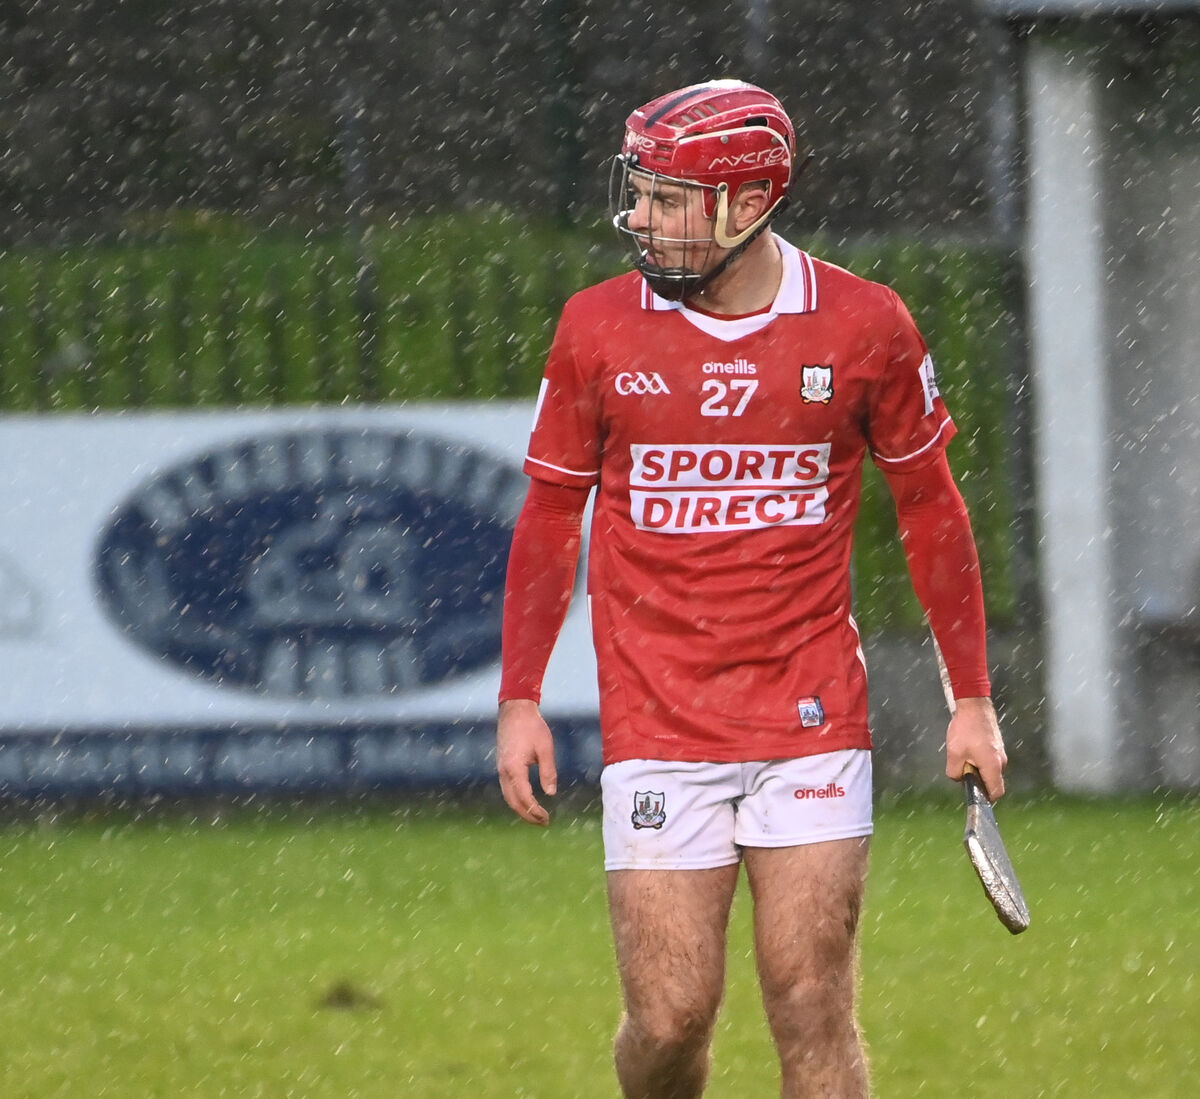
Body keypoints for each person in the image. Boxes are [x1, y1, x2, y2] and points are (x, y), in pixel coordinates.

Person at [495, 78, 1007, 1099]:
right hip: (658, 721)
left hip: (810, 713)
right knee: (669, 1019)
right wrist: (519, 696)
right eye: (636, 192)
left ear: (744, 206)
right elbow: (553, 515)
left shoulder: (865, 324)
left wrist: (974, 697)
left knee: (811, 1001)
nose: (636, 217)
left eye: (664, 199)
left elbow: (930, 508)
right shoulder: (597, 328)